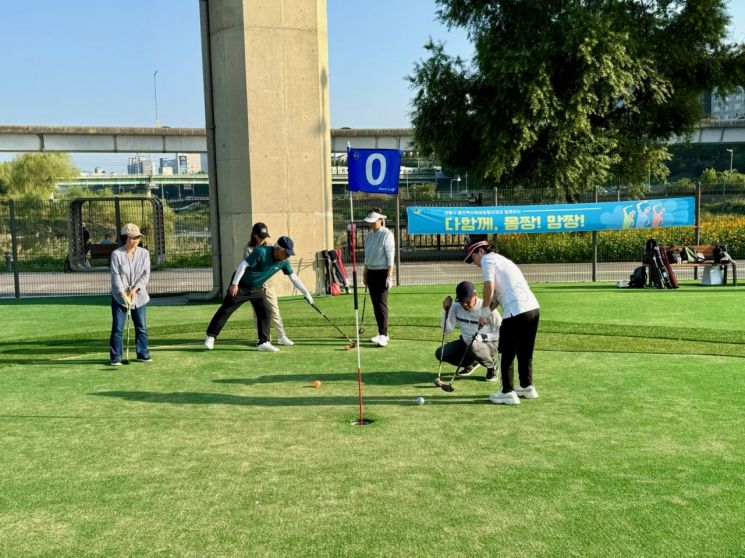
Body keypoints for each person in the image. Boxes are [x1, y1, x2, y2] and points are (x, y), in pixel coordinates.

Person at [464, 236, 540, 405]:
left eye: (474, 257)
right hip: (533, 309)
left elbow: (489, 286)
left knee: (505, 351)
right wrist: (486, 313)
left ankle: (507, 391)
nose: (475, 263)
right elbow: (497, 296)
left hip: (516, 311)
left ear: (481, 251)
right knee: (524, 351)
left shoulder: (487, 260)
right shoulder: (502, 260)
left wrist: (483, 312)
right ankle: (527, 387)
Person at [204, 236, 313, 352]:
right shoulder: (262, 251)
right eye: (286, 253)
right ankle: (211, 336)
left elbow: (294, 278)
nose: (288, 256)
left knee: (266, 310)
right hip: (241, 285)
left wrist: (306, 293)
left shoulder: (284, 262)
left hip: (256, 288)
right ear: (278, 249)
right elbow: (243, 265)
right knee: (226, 309)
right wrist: (234, 284)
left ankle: (263, 342)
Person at [437, 280, 502, 382]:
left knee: (474, 345)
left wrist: (482, 337)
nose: (465, 304)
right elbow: (447, 331)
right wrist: (446, 311)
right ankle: (472, 363)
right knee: (440, 353)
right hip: (466, 343)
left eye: (467, 301)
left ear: (475, 295)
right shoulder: (456, 306)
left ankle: (492, 367)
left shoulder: (486, 307)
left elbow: (502, 330)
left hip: (488, 344)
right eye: (462, 301)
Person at [241, 222, 293, 346]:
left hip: (268, 285)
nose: (263, 239)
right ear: (254, 235)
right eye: (260, 236)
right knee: (258, 313)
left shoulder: (270, 247)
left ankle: (282, 336)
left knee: (275, 310)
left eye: (265, 236)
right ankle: (264, 339)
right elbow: (248, 268)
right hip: (256, 287)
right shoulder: (248, 249)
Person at [109, 223, 151, 365]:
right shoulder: (117, 254)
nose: (135, 240)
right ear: (124, 238)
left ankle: (143, 353)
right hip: (119, 297)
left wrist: (134, 291)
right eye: (132, 238)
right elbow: (116, 277)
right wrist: (123, 295)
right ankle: (116, 356)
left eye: (137, 237)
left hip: (139, 296)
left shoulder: (144, 254)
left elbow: (145, 275)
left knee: (141, 326)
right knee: (118, 327)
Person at [363, 207, 395, 347]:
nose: (370, 224)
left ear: (381, 220)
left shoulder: (387, 234)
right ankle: (381, 332)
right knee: (375, 305)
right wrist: (365, 273)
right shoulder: (369, 235)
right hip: (371, 272)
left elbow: (390, 257)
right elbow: (367, 256)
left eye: (373, 221)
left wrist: (389, 276)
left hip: (382, 272)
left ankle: (384, 334)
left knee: (381, 304)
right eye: (369, 221)